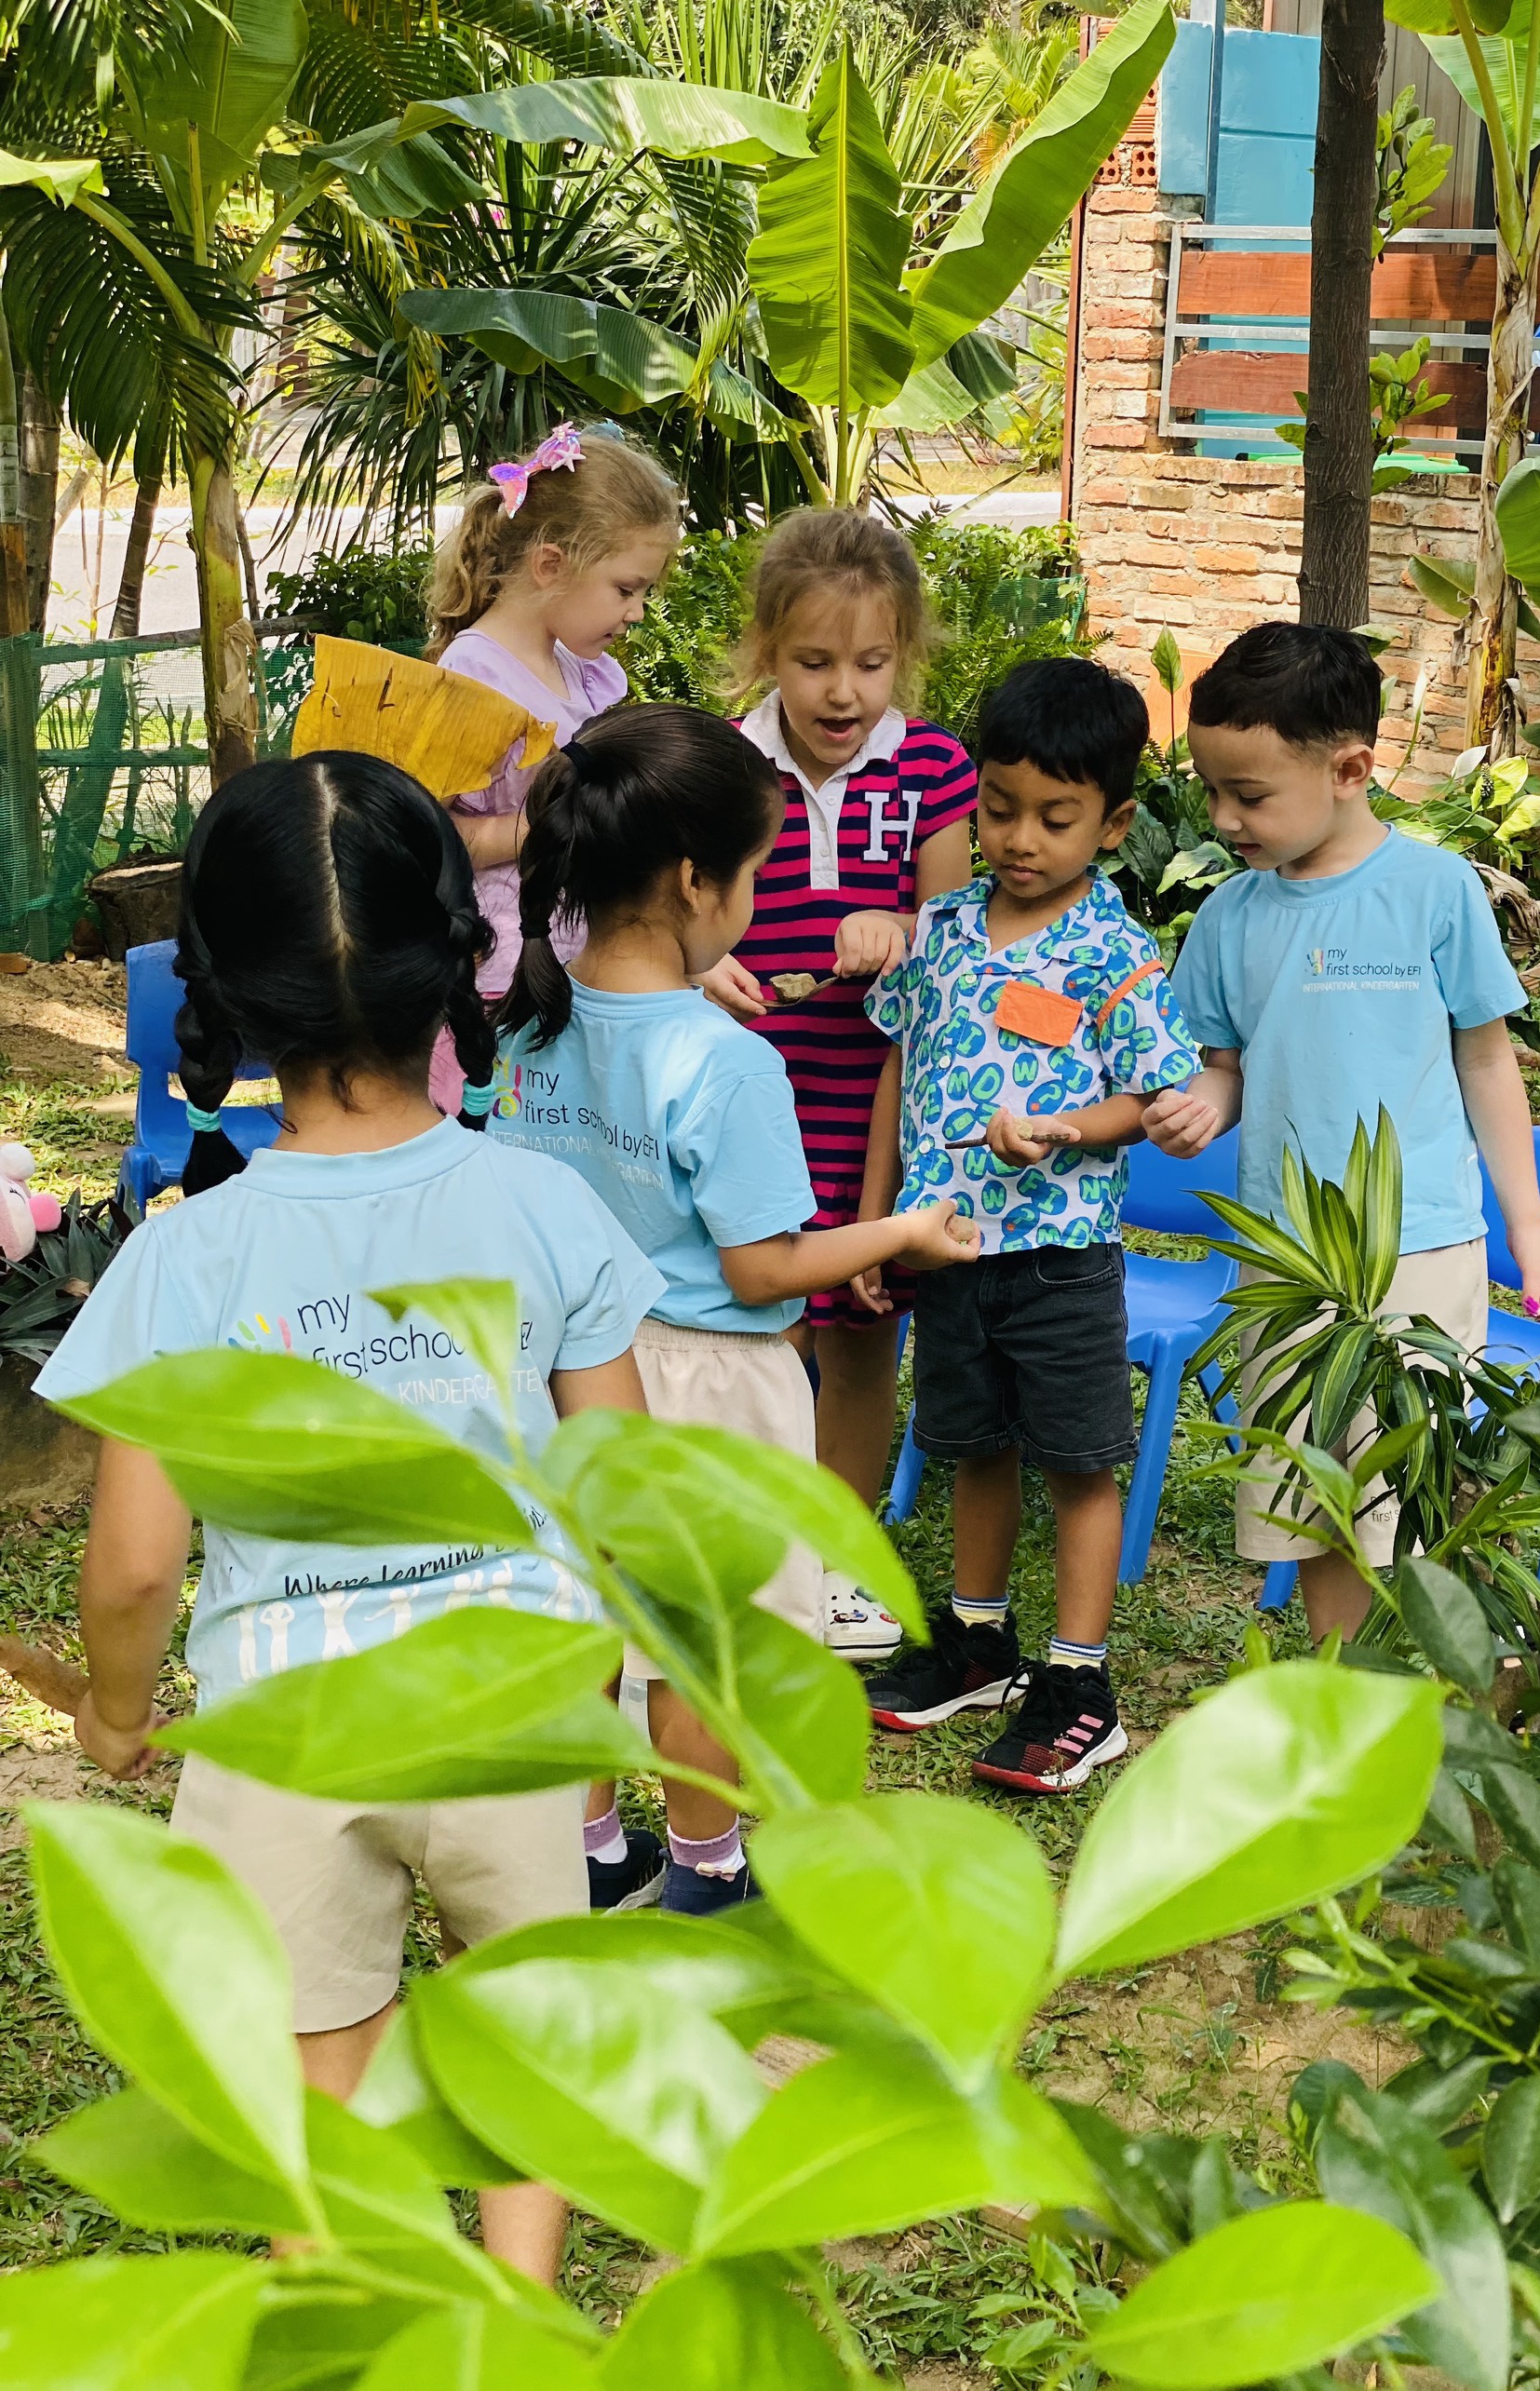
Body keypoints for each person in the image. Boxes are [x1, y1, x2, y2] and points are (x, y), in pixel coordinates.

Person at [36, 752, 665, 2287]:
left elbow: (130, 1563)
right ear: (456, 951)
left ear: (225, 985)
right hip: (512, 1709)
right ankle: (510, 2316)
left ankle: (340, 2314)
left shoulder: (182, 1261)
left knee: (313, 2084)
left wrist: (119, 1717)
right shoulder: (541, 1206)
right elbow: (635, 1489)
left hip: (285, 1734)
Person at [491, 704, 979, 1906]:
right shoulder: (724, 1062)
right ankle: (710, 1869)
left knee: (594, 1622)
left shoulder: (530, 1026)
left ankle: (592, 1851)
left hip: (565, 1379)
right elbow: (764, 1268)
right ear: (696, 882)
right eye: (758, 869)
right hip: (707, 1387)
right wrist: (905, 1231)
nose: (762, 893)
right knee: (704, 1652)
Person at [1141, 622, 1540, 1641]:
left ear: (1350, 768)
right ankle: (1344, 1691)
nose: (1222, 818)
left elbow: (1486, 1060)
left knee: (1413, 1497)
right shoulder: (1226, 918)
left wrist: (1530, 1225)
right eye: (1211, 791)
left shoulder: (1435, 893)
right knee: (1319, 1499)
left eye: (1248, 796)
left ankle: (1420, 1697)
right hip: (1284, 1258)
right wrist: (1206, 1104)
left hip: (1419, 1247)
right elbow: (1228, 1069)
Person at [858, 657, 1200, 1793]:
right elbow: (896, 1070)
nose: (1020, 838)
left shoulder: (1115, 950)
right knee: (972, 1443)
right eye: (999, 810)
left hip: (1059, 1259)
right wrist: (873, 1223)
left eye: (1057, 818)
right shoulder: (943, 926)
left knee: (1079, 1461)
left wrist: (1059, 1128)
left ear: (1115, 824)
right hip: (945, 1245)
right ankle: (979, 1641)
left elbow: (1150, 1099)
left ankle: (1078, 1682)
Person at [706, 508, 979, 1659]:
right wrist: (699, 964)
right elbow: (674, 909)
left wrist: (903, 923)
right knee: (756, 1331)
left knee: (863, 1329)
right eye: (815, 662)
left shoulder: (933, 769)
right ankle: (753, 1551)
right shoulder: (723, 764)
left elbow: (962, 934)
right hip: (747, 1105)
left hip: (878, 1105)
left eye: (871, 663)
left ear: (904, 655)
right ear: (767, 650)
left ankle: (835, 1555)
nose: (843, 691)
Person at [426, 421, 680, 1103]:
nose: (636, 612)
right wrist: (555, 828)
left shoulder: (587, 673)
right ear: (550, 565)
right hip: (500, 978)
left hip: (579, 956)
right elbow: (432, 834)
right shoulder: (473, 674)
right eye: (626, 588)